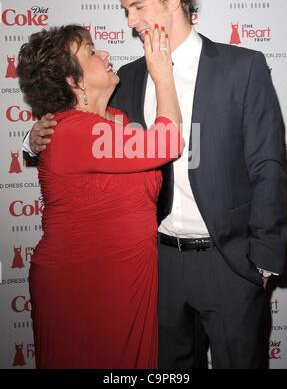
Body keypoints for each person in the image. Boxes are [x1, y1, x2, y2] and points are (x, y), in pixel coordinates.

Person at [24, 0, 287, 369]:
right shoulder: (124, 77)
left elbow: (267, 166)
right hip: (157, 264)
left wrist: (267, 257)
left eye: (137, 6)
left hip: (231, 262)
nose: (130, 22)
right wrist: (33, 138)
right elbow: (78, 120)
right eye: (125, 10)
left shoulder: (243, 67)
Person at [17, 23, 183, 369]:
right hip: (88, 283)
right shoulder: (73, 131)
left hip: (129, 276)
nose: (105, 54)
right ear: (73, 81)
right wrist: (162, 75)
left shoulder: (117, 120)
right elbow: (167, 143)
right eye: (91, 52)